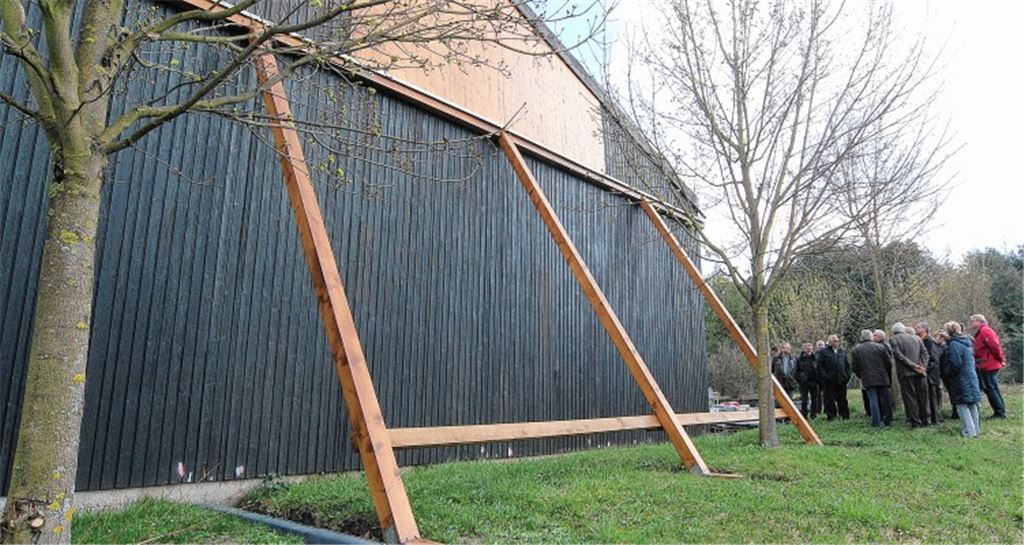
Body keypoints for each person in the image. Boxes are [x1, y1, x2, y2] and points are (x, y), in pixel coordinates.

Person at [940, 321, 982, 437]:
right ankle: (976, 430)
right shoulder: (966, 342)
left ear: (949, 331)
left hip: (960, 378)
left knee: (961, 405)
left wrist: (947, 373)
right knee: (972, 404)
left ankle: (969, 431)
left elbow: (955, 363)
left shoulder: (954, 345)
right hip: (971, 376)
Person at [890, 322, 930, 428]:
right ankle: (926, 420)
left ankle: (916, 422)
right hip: (921, 372)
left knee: (910, 398)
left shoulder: (894, 339)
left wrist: (914, 366)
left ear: (894, 332)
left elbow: (899, 356)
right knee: (923, 397)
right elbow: (925, 354)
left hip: (906, 373)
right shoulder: (917, 338)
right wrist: (922, 366)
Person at [851, 329, 894, 427]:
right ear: (870, 337)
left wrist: (861, 375)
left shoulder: (856, 350)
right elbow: (888, 363)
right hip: (882, 377)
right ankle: (887, 420)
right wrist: (886, 373)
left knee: (873, 400)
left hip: (867, 378)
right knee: (885, 399)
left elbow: (854, 367)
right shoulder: (880, 347)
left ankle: (876, 421)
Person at [969, 314, 1007, 419]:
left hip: (989, 364)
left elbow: (995, 346)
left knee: (990, 388)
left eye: (973, 321)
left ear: (979, 321)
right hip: (986, 363)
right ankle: (1000, 410)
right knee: (992, 387)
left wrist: (1000, 359)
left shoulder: (985, 331)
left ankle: (999, 412)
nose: (971, 324)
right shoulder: (982, 332)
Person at [816, 334, 850, 420]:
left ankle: (844, 415)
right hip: (829, 381)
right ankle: (831, 416)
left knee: (842, 398)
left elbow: (847, 365)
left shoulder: (842, 351)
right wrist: (826, 377)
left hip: (841, 379)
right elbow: (820, 367)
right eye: (834, 341)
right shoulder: (823, 352)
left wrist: (847, 376)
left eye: (837, 341)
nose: (836, 342)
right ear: (829, 342)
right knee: (829, 399)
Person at [915, 322, 943, 424]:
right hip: (923, 373)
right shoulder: (919, 341)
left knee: (932, 397)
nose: (916, 328)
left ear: (925, 329)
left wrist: (925, 369)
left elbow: (934, 360)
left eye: (918, 327)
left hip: (931, 375)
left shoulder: (930, 341)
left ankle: (935, 419)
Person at [794, 342, 820, 419]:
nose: (809, 350)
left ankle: (813, 415)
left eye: (810, 349)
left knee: (814, 399)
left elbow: (819, 369)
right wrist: (800, 379)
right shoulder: (799, 359)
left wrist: (818, 379)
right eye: (807, 349)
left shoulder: (815, 358)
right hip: (804, 382)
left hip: (814, 381)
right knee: (804, 400)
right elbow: (796, 371)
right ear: (804, 349)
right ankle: (804, 415)